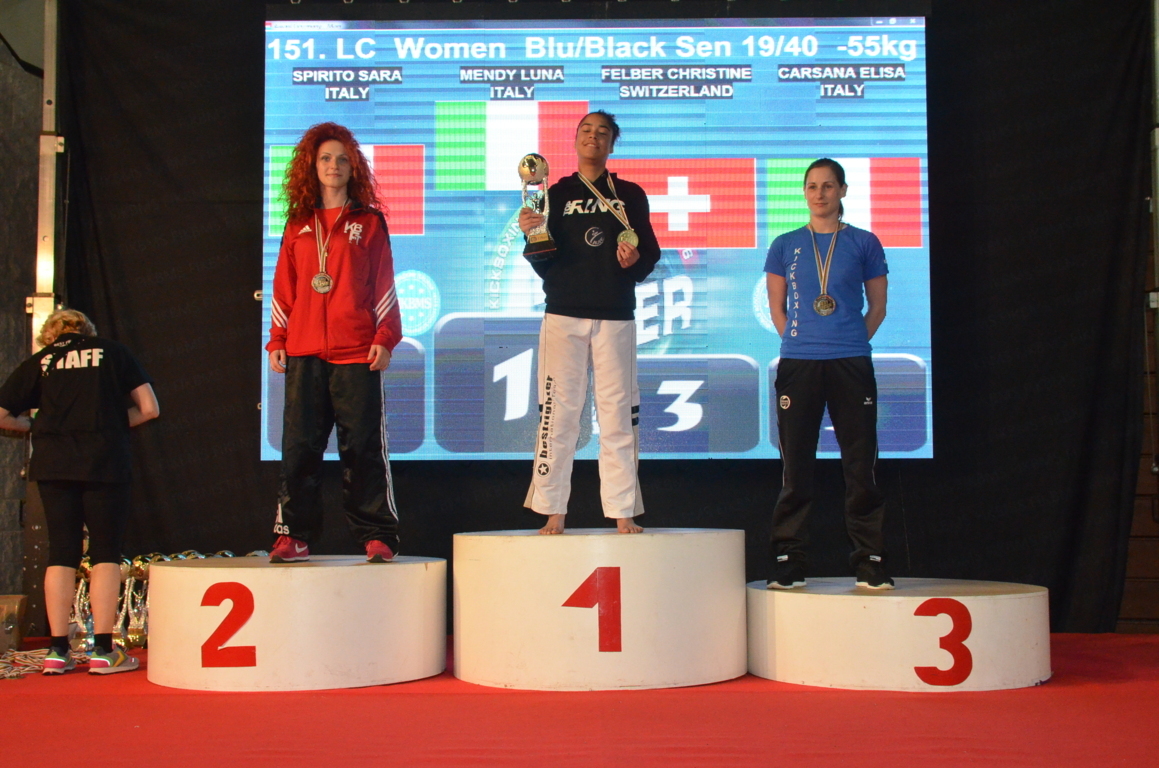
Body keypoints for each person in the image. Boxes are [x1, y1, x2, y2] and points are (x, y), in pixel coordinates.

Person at [518, 110, 661, 535]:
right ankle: (552, 510)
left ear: (612, 143)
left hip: (615, 314)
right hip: (563, 313)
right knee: (556, 415)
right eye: (586, 130)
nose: (593, 137)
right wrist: (530, 233)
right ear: (575, 139)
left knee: (618, 415)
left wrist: (635, 262)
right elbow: (543, 259)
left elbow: (650, 253)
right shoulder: (553, 193)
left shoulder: (630, 195)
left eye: (602, 132)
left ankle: (623, 510)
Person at [266, 122, 402, 563]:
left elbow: (383, 283)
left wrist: (385, 336)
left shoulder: (369, 222)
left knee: (361, 447)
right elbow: (284, 286)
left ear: (353, 167)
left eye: (342, 159)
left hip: (357, 350)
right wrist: (277, 338)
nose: (333, 166)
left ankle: (376, 535)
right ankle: (294, 535)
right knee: (299, 448)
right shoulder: (297, 223)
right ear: (312, 165)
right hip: (304, 350)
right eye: (325, 158)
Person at [0, 309, 159, 674]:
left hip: (54, 464)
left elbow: (2, 414)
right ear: (88, 331)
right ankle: (103, 650)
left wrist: (36, 426)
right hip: (105, 461)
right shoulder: (113, 352)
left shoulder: (41, 360)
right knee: (105, 552)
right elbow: (150, 408)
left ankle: (57, 651)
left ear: (48, 335)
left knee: (61, 551)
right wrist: (112, 425)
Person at [764, 158, 892, 590]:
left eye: (828, 185)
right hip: (799, 363)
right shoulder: (785, 244)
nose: (820, 193)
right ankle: (789, 559)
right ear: (804, 193)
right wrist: (801, 342)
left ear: (842, 191)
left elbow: (878, 307)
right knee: (796, 465)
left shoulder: (864, 242)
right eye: (812, 186)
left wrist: (848, 341)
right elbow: (777, 309)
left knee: (860, 464)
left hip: (850, 362)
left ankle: (870, 560)